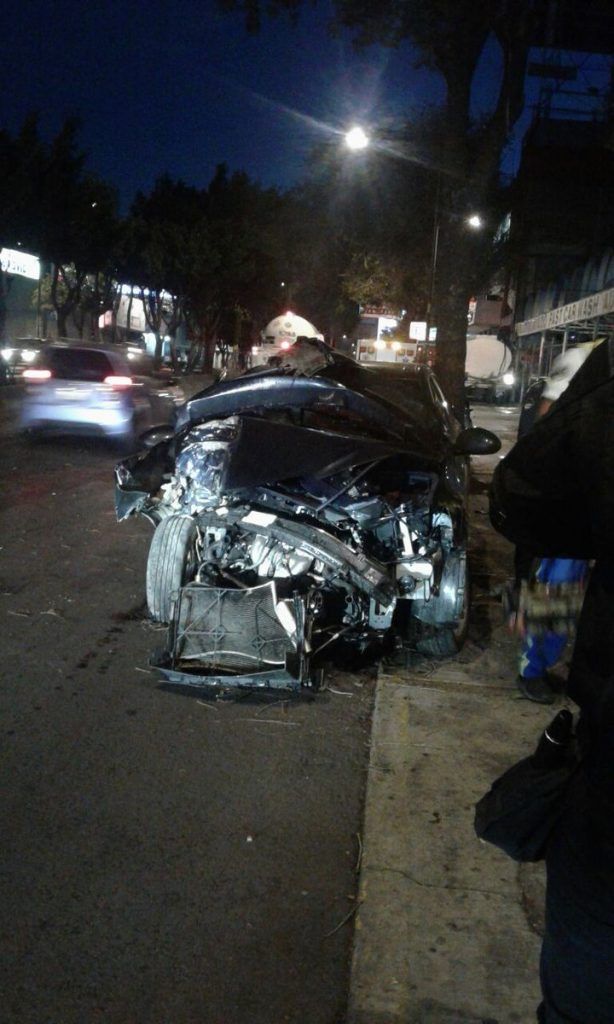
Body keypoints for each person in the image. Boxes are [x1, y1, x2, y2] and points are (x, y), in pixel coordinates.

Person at [490, 336, 614, 1021]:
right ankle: (530, 660)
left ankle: (532, 660)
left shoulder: (596, 367)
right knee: (546, 591)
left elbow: (526, 496)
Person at [510, 346, 592, 704]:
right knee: (552, 587)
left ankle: (544, 661)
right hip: (563, 501)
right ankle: (531, 669)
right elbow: (544, 421)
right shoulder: (586, 359)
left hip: (589, 500)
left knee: (570, 592)